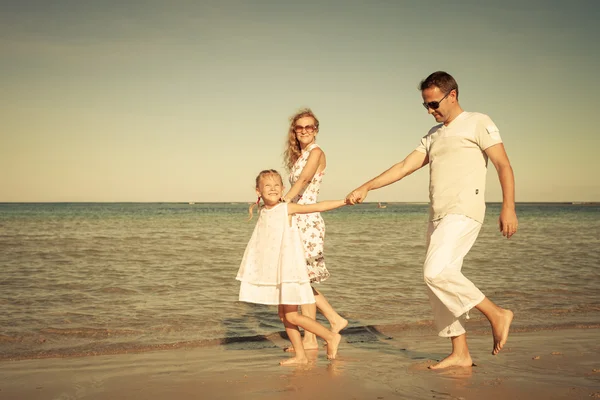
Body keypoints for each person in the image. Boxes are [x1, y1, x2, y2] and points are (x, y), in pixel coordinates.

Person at [346, 71, 517, 369]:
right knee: (437, 283)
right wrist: (367, 186)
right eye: (425, 105)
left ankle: (496, 313)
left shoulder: (479, 122)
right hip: (437, 215)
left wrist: (509, 207)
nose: (430, 110)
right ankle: (460, 351)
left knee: (435, 272)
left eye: (434, 103)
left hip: (464, 210)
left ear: (452, 95)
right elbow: (403, 167)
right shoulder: (433, 135)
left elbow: (503, 164)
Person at [236, 169, 345, 365]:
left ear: (283, 189)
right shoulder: (263, 211)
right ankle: (301, 356)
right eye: (267, 186)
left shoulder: (286, 208)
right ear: (258, 191)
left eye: (277, 185)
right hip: (276, 270)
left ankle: (330, 337)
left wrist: (344, 202)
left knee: (292, 315)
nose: (272, 189)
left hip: (289, 270)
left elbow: (318, 206)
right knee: (284, 315)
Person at [282, 108, 348, 351]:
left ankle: (332, 319)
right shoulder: (301, 155)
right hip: (298, 217)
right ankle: (312, 336)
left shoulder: (316, 152)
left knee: (302, 277)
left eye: (309, 127)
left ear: (316, 129)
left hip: (307, 219)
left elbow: (304, 181)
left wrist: (283, 203)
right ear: (295, 131)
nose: (304, 131)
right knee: (303, 278)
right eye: (300, 127)